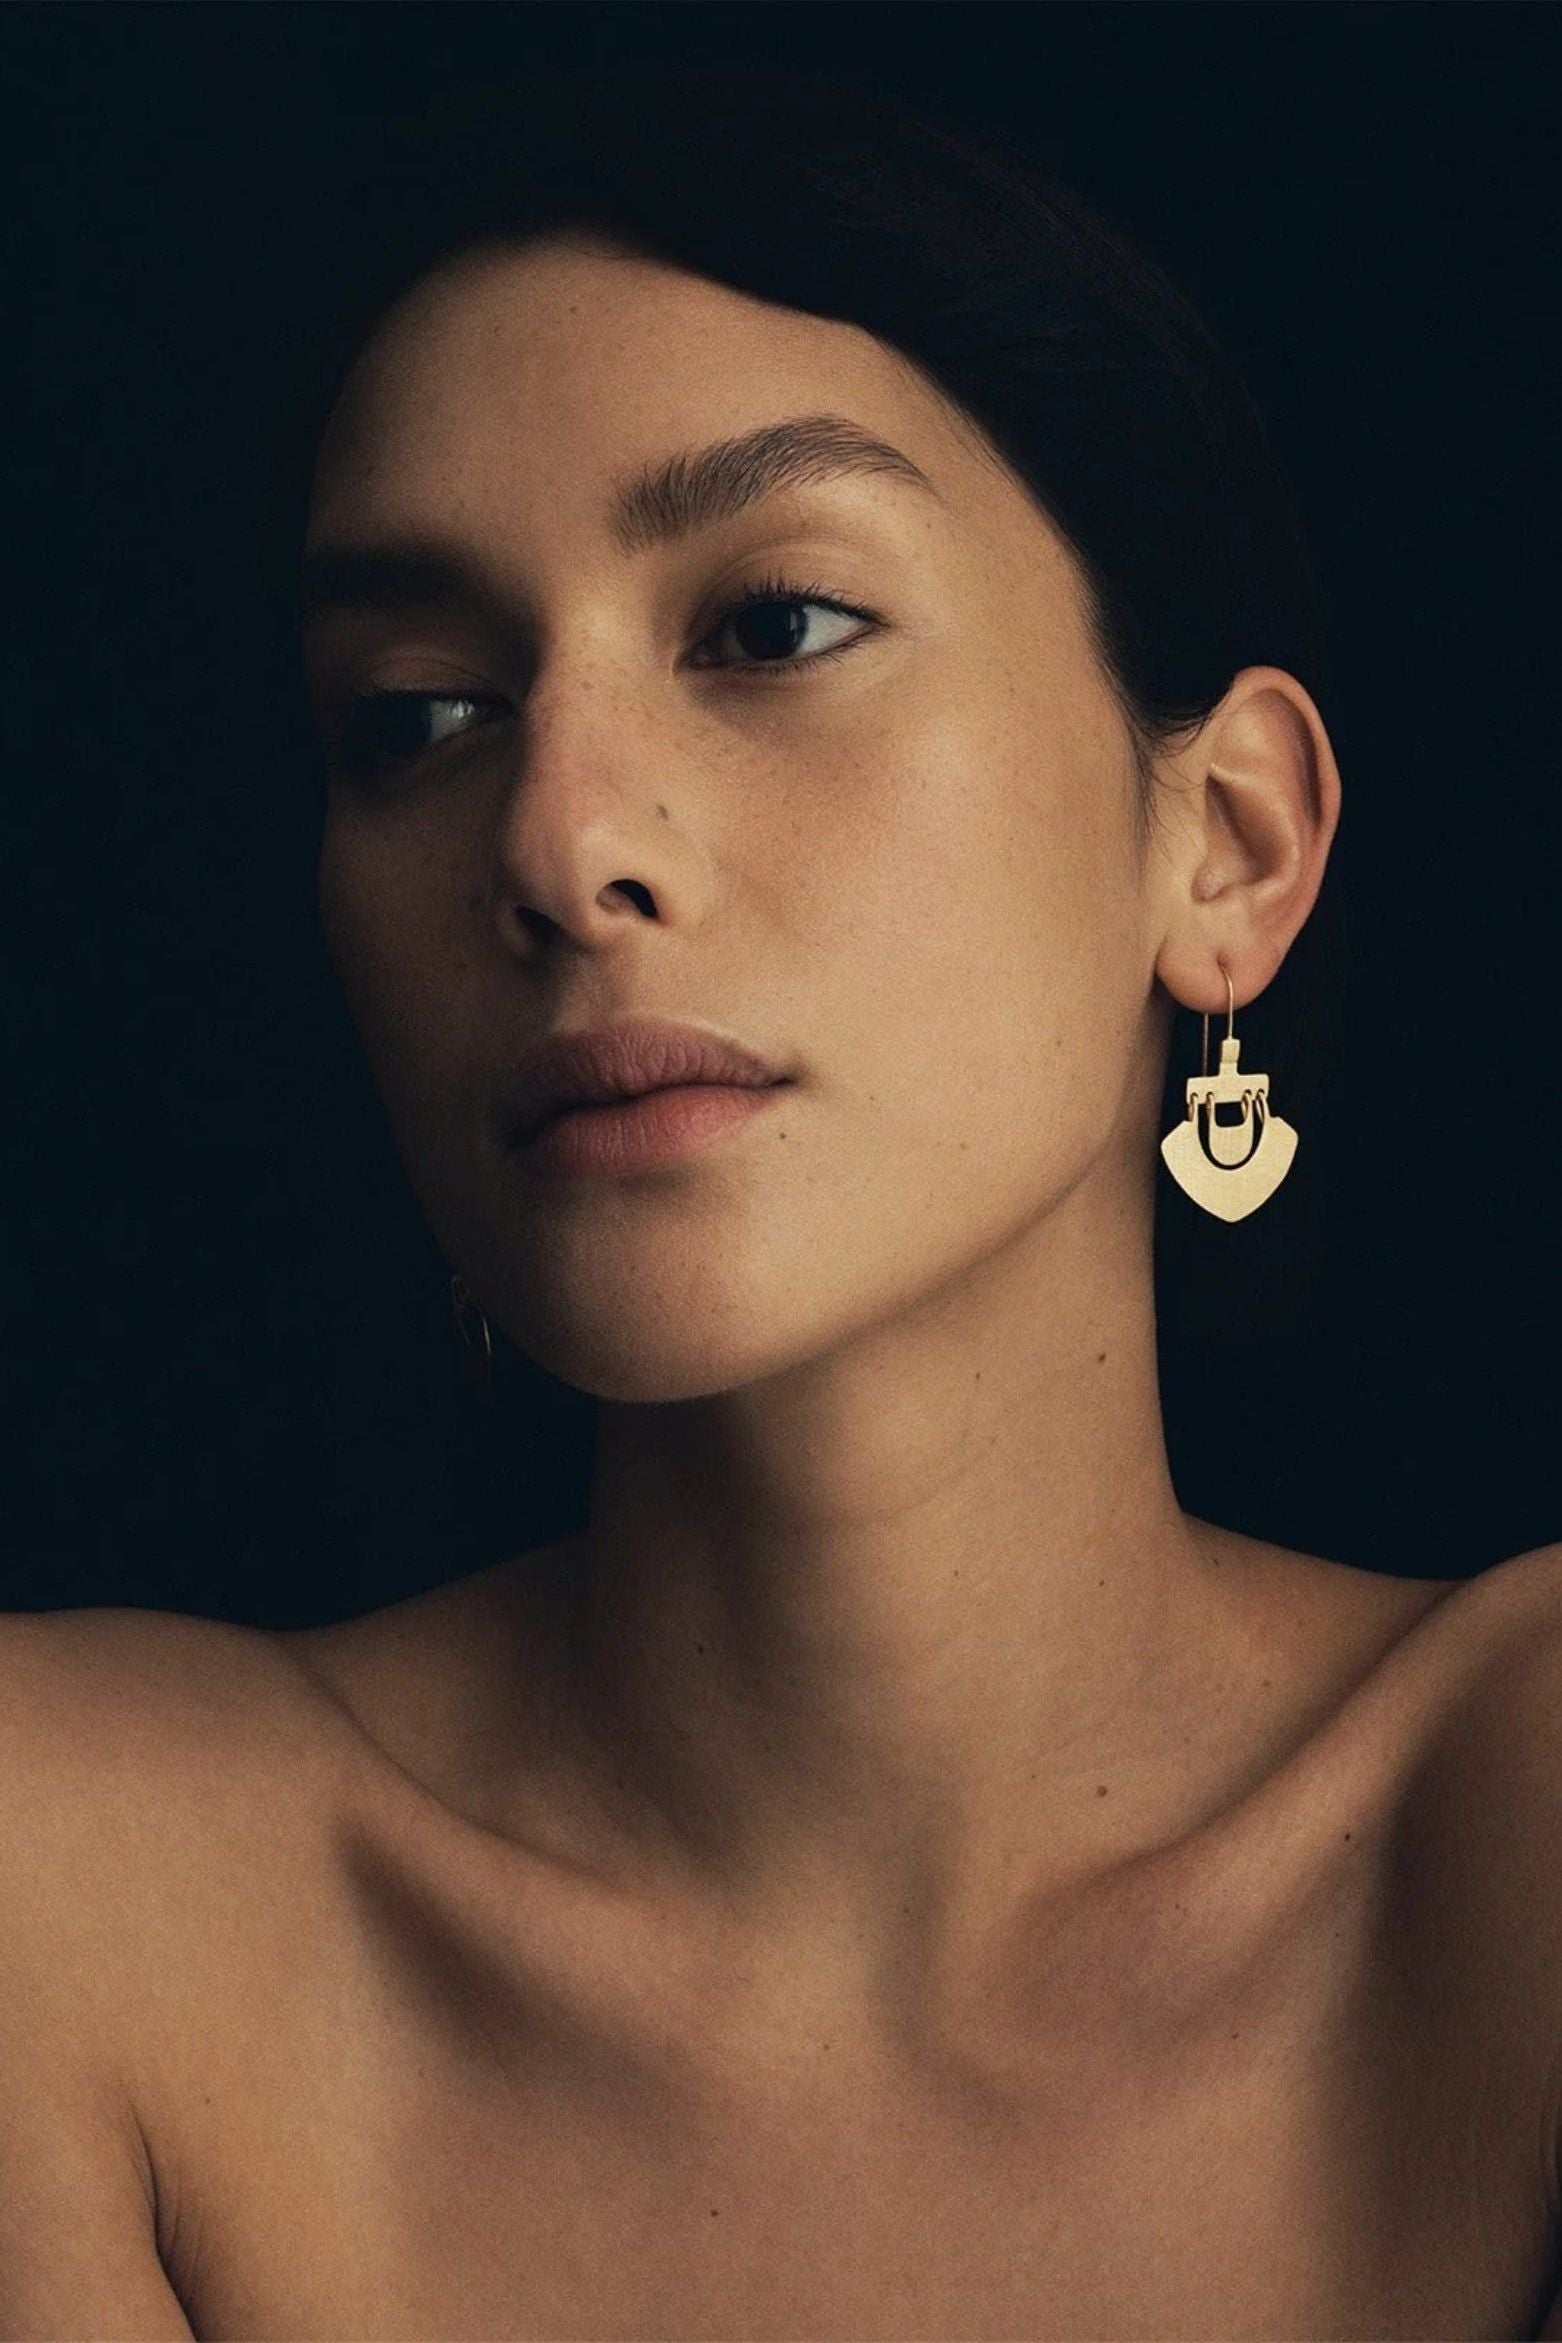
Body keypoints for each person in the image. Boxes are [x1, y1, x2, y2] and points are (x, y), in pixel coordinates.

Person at [4, 63, 1559, 2342]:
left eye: (773, 629)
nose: (557, 845)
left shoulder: (1512, 1813)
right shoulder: (71, 1885)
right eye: (416, 715)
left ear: (1225, 844)